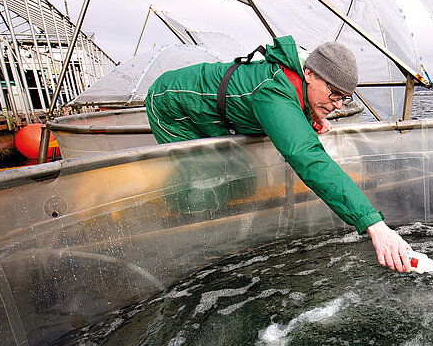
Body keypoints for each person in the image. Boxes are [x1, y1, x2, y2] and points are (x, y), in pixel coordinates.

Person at [145, 35, 411, 272]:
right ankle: (164, 222)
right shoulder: (272, 92)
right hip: (172, 105)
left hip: (213, 116)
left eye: (344, 98)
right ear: (309, 74)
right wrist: (373, 224)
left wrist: (310, 115)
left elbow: (298, 103)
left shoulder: (299, 77)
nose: (337, 105)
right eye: (333, 94)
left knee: (243, 184)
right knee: (201, 188)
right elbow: (308, 158)